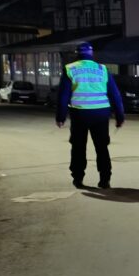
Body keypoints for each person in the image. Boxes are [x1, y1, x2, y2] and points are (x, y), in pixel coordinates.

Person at [55, 42, 125, 189]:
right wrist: (120, 117)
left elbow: (63, 97)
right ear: (92, 54)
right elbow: (115, 95)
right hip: (101, 114)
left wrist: (60, 117)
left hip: (80, 114)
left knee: (78, 147)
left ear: (77, 54)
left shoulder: (70, 69)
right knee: (102, 147)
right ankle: (105, 179)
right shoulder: (102, 69)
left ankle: (78, 178)